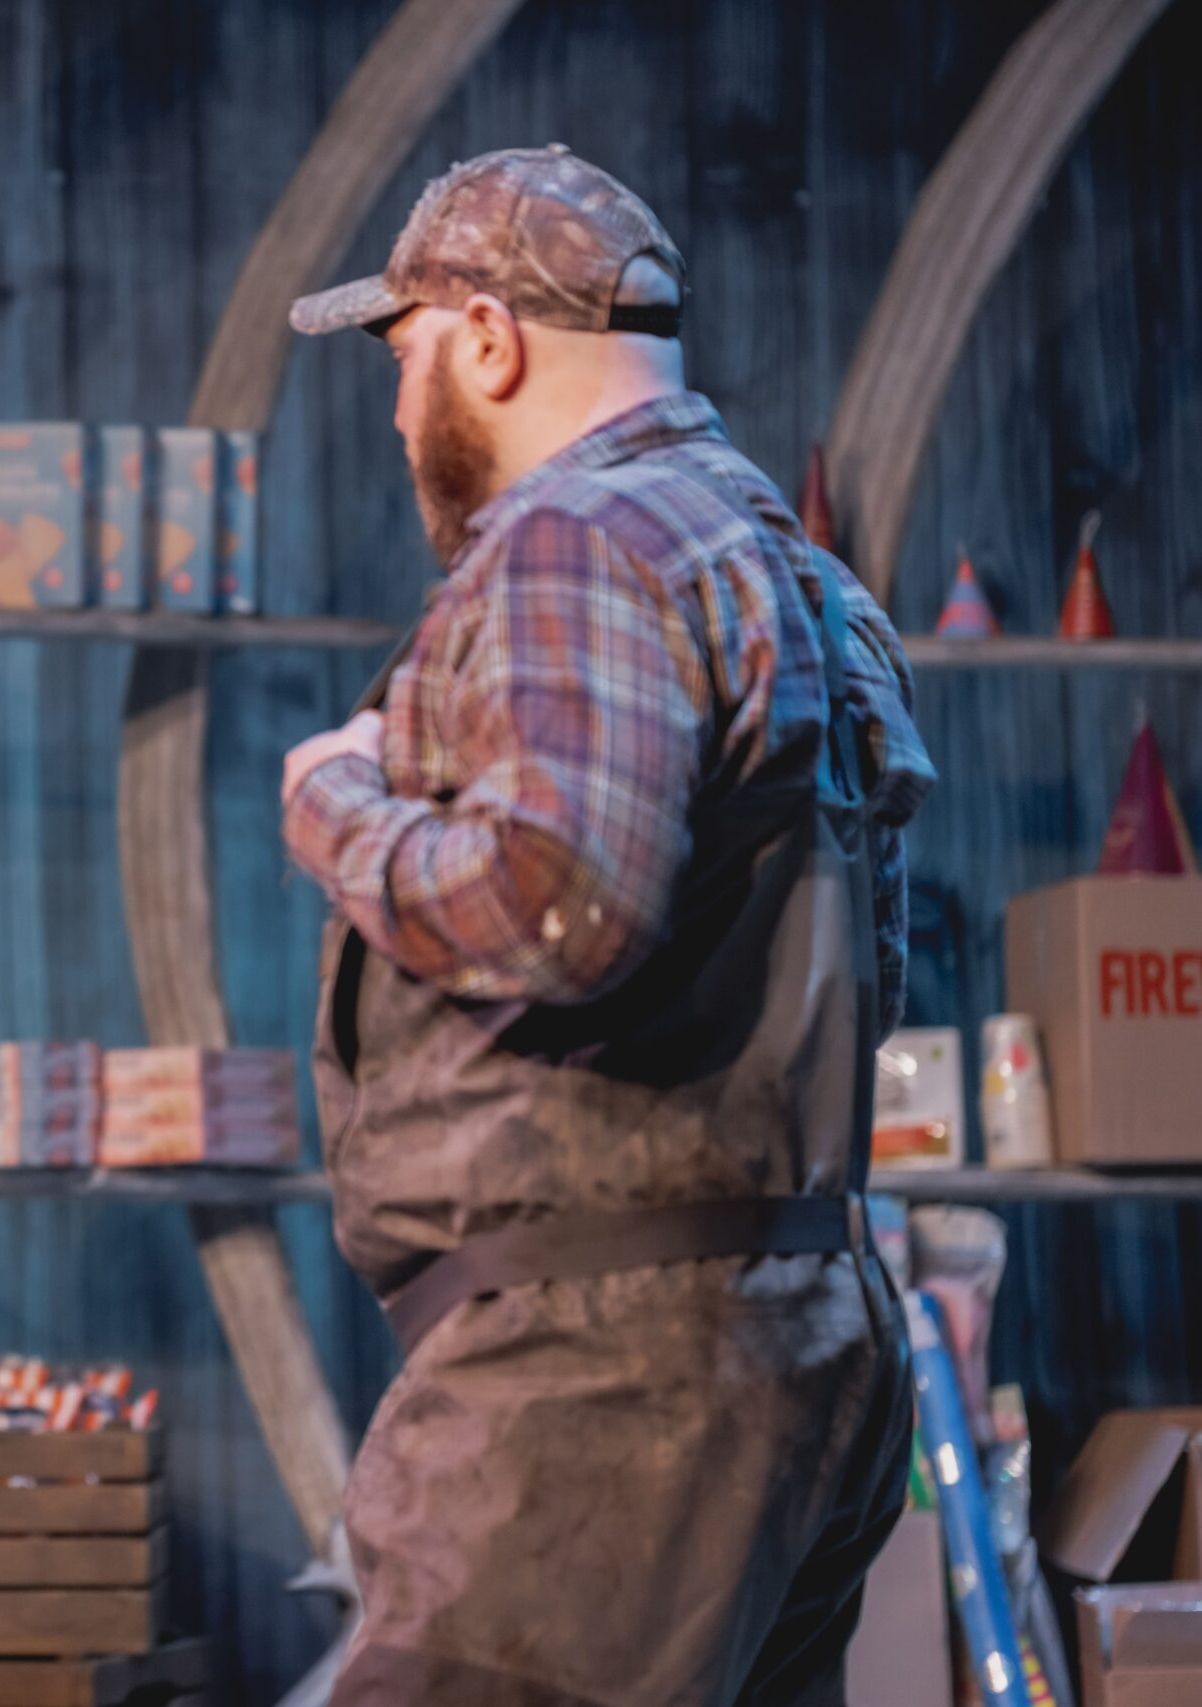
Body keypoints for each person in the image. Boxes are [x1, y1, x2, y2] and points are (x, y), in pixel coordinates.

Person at [281, 146, 937, 1706]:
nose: (399, 410)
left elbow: (557, 910)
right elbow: (879, 985)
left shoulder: (577, 539)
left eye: (405, 353)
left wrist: (332, 795)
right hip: (803, 1336)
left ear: (488, 338)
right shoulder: (814, 590)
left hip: (603, 1388)